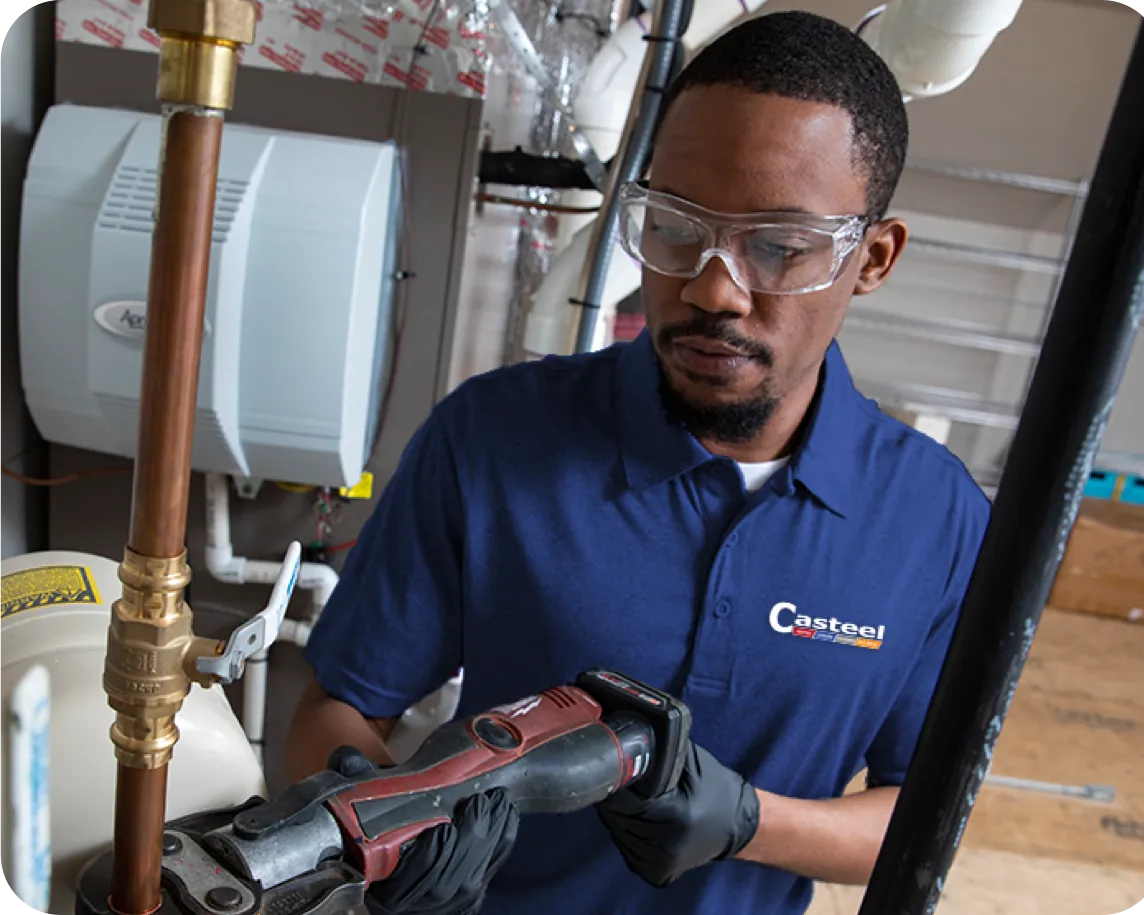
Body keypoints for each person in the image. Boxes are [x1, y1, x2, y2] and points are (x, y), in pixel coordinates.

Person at [284, 9, 992, 915]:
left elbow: (921, 822)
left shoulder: (932, 521)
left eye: (778, 247)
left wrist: (746, 820)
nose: (712, 287)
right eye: (673, 226)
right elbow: (332, 713)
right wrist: (383, 822)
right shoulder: (496, 438)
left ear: (872, 259)